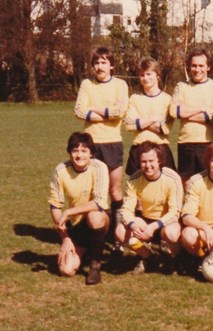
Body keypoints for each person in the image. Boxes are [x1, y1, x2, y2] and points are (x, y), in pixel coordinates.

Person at [74, 47, 129, 249]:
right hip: (91, 144)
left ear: (111, 65)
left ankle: (117, 236)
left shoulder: (120, 85)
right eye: (96, 63)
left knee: (114, 191)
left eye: (104, 62)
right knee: (93, 192)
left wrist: (95, 111)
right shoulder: (87, 84)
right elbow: (79, 109)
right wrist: (105, 114)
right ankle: (94, 234)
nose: (100, 66)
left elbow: (120, 110)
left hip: (113, 142)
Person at [48, 132, 110, 285]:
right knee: (66, 270)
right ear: (69, 152)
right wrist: (66, 239)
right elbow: (55, 206)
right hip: (76, 226)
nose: (79, 155)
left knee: (94, 216)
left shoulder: (99, 167)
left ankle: (95, 266)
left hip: (99, 219)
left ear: (91, 153)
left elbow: (99, 203)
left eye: (84, 151)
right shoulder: (60, 170)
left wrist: (68, 212)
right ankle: (87, 251)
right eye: (75, 150)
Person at [116, 141, 183, 274]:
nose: (148, 166)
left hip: (166, 223)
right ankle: (148, 257)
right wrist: (133, 225)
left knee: (172, 233)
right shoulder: (134, 179)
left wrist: (155, 226)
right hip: (145, 222)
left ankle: (174, 258)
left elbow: (175, 210)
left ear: (160, 161)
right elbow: (127, 209)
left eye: (151, 161)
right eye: (143, 162)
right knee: (120, 231)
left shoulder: (172, 178)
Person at [170, 48, 213, 183]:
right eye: (194, 65)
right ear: (189, 66)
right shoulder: (181, 86)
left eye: (201, 65)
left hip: (208, 142)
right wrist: (201, 109)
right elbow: (174, 112)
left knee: (208, 183)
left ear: (208, 67)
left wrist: (185, 113)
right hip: (185, 143)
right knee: (187, 183)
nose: (197, 69)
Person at [124, 58, 176, 176]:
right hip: (138, 149)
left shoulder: (168, 99)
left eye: (149, 74)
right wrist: (153, 118)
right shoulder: (134, 99)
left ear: (158, 75)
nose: (145, 78)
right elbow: (130, 125)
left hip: (161, 149)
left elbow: (163, 129)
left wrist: (140, 122)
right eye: (142, 75)